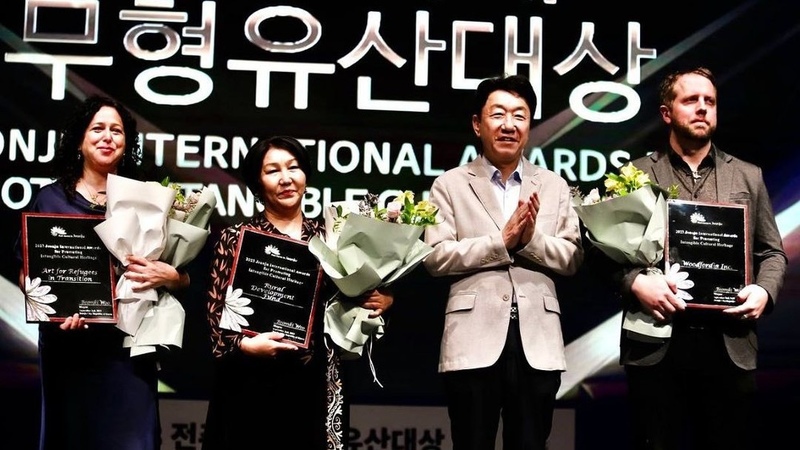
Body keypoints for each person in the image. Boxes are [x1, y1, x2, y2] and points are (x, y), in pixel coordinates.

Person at [617, 66, 787, 450]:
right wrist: (635, 282)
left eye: (709, 101)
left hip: (729, 344)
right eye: (691, 100)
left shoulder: (748, 176)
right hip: (657, 343)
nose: (702, 108)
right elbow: (604, 254)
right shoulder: (636, 174)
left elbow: (772, 252)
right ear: (667, 113)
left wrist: (763, 291)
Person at [14, 95, 190, 450]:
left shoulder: (150, 200)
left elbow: (182, 277)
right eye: (97, 129)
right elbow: (26, 272)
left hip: (128, 347)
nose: (107, 137)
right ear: (80, 140)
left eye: (116, 131)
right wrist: (52, 309)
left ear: (127, 143)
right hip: (69, 346)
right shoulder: (50, 199)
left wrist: (170, 277)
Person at [422, 74, 584, 450]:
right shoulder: (449, 184)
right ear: (477, 124)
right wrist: (500, 242)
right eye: (498, 114)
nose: (509, 124)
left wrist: (530, 241)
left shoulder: (554, 185)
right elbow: (436, 256)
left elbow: (572, 257)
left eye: (519, 115)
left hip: (537, 341)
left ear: (529, 125)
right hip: (472, 339)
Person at [202, 135, 394, 450]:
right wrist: (245, 346)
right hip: (249, 379)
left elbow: (356, 297)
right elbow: (215, 313)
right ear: (257, 182)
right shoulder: (236, 238)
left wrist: (382, 298)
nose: (286, 178)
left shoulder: (331, 239)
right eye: (272, 170)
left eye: (293, 167)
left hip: (314, 380)